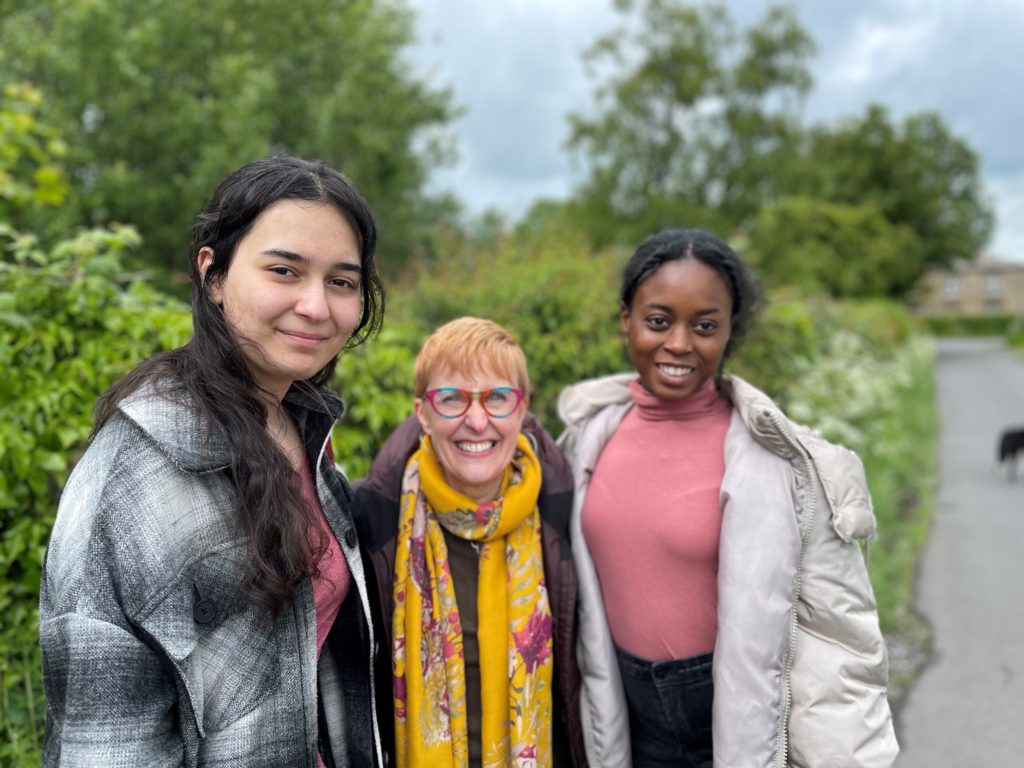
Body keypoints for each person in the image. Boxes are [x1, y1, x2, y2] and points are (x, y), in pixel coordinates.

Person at [39, 156, 386, 767]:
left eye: (341, 281)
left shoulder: (303, 428)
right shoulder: (136, 475)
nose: (315, 305)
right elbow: (102, 743)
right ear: (213, 274)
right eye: (284, 270)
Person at [558, 229, 899, 768]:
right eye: (658, 320)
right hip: (623, 712)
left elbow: (842, 635)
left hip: (728, 722)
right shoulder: (584, 440)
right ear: (626, 318)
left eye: (705, 326)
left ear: (729, 331)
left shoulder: (783, 463)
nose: (678, 343)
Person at [352, 317, 587, 768]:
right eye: (452, 399)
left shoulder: (564, 513)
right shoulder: (373, 518)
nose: (477, 421)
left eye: (498, 398)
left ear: (522, 410)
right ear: (422, 411)